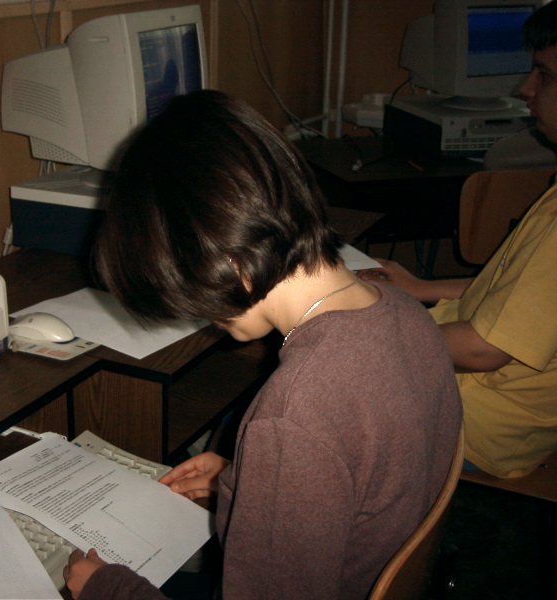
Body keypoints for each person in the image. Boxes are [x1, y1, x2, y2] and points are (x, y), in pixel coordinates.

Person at [63, 89, 462, 599]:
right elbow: (369, 477)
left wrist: (108, 590)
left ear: (226, 259)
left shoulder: (295, 413)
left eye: (190, 297)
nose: (202, 318)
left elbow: (317, 434)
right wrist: (246, 484)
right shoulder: (404, 312)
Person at [360, 2, 557, 479]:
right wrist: (421, 288)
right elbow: (520, 298)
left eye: (545, 74)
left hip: (480, 422)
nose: (526, 88)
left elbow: (483, 351)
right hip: (496, 405)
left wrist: (367, 333)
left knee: (296, 398)